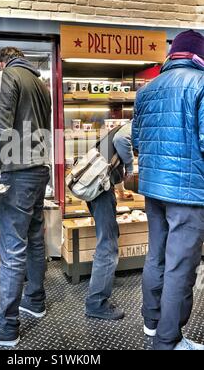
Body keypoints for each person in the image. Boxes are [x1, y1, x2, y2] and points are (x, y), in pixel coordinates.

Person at [0, 47, 52, 347]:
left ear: (1, 62)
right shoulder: (42, 85)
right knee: (34, 238)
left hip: (17, 173)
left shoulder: (8, 75)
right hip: (39, 170)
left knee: (12, 247)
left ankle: (6, 326)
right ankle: (35, 300)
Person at [132, 30, 204, 351]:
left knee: (156, 256)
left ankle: (152, 322)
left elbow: (137, 143)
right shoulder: (201, 85)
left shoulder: (147, 91)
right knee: (180, 266)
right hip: (189, 191)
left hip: (153, 188)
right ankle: (168, 340)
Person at [85, 121, 134, 321]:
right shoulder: (135, 124)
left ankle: (96, 298)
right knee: (108, 245)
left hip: (97, 185)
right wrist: (130, 167)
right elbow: (121, 140)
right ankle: (96, 303)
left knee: (107, 240)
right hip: (101, 188)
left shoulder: (126, 124)